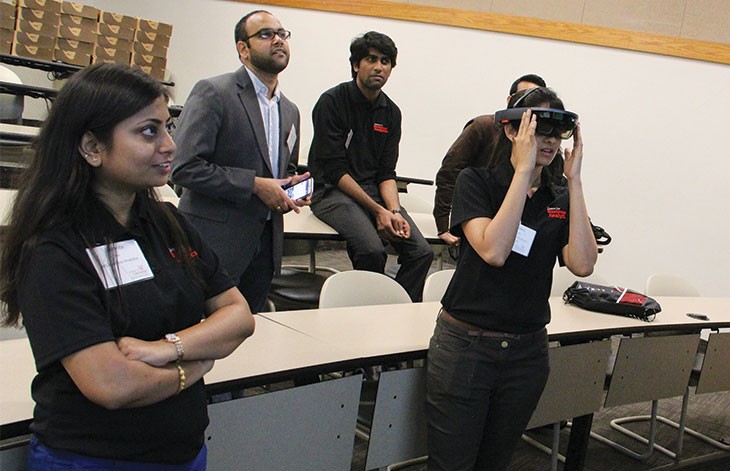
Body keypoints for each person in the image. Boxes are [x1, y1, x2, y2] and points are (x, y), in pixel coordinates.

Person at [0, 63, 255, 470]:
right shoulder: (54, 247)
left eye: (168, 126)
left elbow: (238, 316)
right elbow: (111, 384)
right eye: (149, 131)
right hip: (93, 459)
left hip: (183, 453)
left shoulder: (168, 224)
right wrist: (194, 366)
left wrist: (165, 350)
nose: (170, 144)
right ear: (92, 147)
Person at [424, 87, 599, 470]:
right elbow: (494, 250)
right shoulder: (477, 182)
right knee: (452, 463)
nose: (550, 139)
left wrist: (575, 183)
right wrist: (522, 171)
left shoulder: (558, 196)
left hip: (526, 353)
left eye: (558, 131)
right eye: (538, 128)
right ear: (510, 131)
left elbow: (583, 264)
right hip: (467, 347)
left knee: (496, 462)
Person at [171, 10, 309, 313]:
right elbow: (183, 167)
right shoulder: (214, 92)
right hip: (215, 243)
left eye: (282, 34)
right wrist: (255, 185)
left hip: (265, 246)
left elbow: (281, 171)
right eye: (265, 34)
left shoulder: (290, 111)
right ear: (243, 49)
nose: (278, 40)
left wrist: (289, 186)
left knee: (249, 340)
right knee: (200, 336)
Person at [308, 31, 433, 301]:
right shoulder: (332, 102)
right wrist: (377, 210)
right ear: (356, 64)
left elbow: (387, 173)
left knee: (421, 252)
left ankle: (396, 308)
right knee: (372, 250)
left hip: (373, 192)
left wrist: (394, 211)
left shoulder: (390, 112)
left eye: (386, 61)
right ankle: (366, 309)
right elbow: (334, 169)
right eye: (371, 59)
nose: (379, 67)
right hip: (332, 192)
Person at [432, 74, 555, 247]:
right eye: (526, 96)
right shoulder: (483, 127)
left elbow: (558, 186)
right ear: (510, 101)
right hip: (481, 214)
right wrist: (444, 225)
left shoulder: (547, 145)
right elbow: (449, 173)